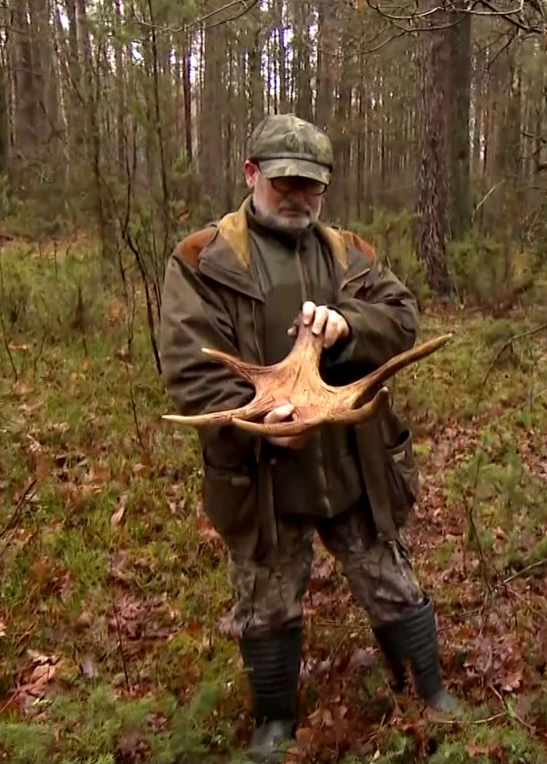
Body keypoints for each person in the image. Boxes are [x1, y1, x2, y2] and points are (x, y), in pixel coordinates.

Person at [157, 113, 457, 762]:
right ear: (251, 174)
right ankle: (274, 722)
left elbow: (401, 319)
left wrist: (348, 328)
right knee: (266, 603)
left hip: (352, 467)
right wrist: (261, 427)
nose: (297, 198)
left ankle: (428, 693)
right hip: (263, 472)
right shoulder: (202, 259)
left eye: (311, 187)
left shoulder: (349, 253)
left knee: (392, 582)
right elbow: (188, 367)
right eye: (284, 183)